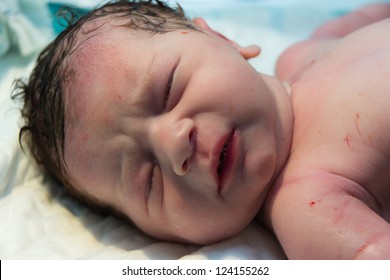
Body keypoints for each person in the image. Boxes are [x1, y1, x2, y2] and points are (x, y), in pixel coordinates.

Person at [14, 0, 390, 259]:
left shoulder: (301, 54)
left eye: (169, 90)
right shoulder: (308, 204)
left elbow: (358, 20)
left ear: (223, 40)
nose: (174, 144)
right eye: (148, 181)